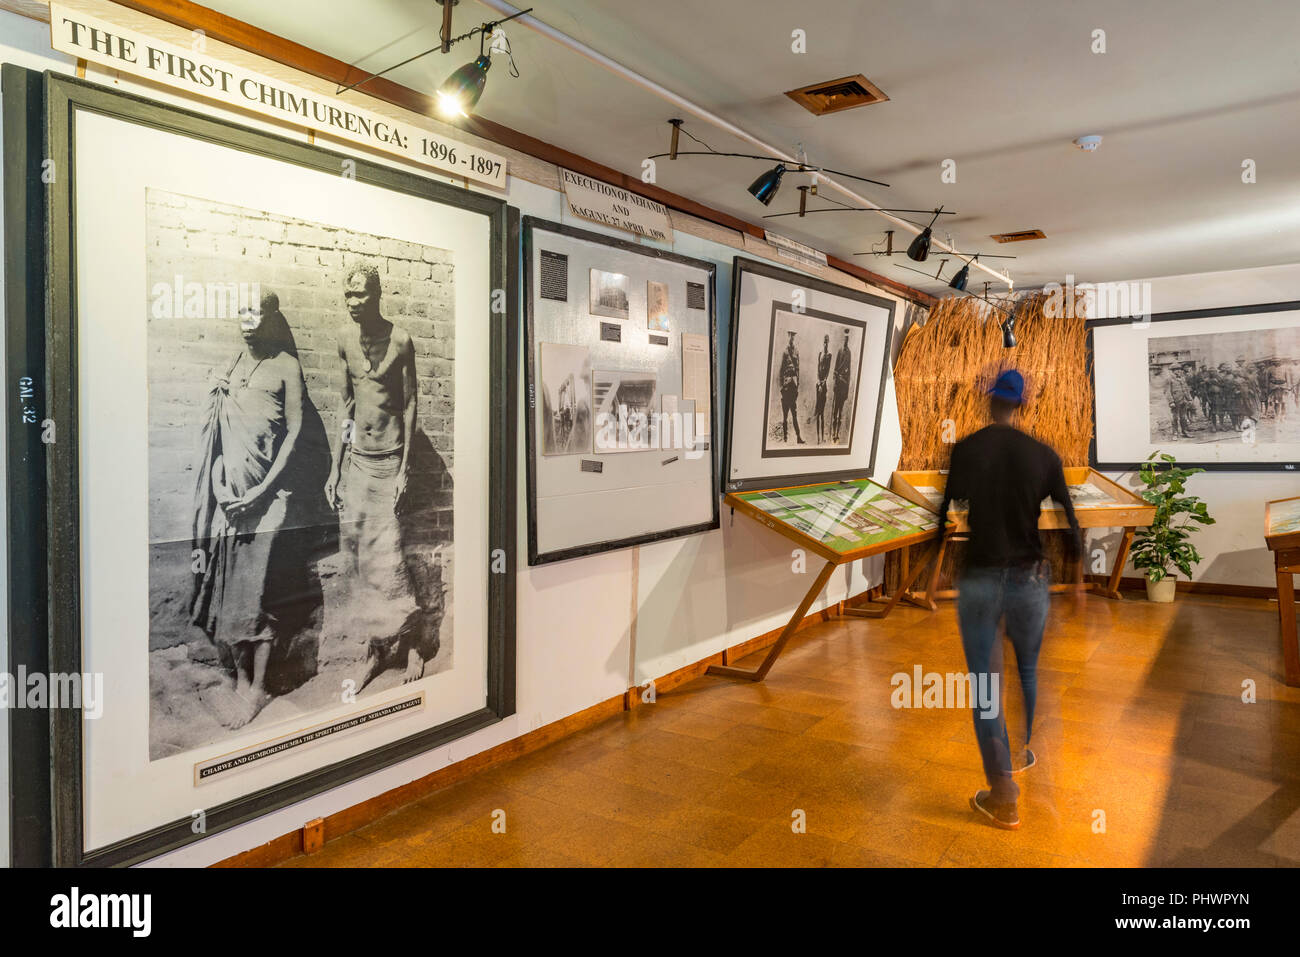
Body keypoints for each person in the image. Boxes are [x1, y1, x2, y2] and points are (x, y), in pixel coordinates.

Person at [938, 369, 1082, 830]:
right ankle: (1021, 751)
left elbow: (948, 508)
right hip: (1029, 580)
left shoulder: (966, 450)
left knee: (985, 688)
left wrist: (938, 560)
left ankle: (1003, 796)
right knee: (1027, 670)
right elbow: (1071, 520)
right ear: (1022, 405)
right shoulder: (1043, 455)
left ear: (989, 402)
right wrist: (1078, 581)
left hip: (980, 578)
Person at [189, 291, 327, 729]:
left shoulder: (287, 366)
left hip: (269, 502)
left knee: (261, 593)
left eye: (257, 312)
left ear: (270, 318)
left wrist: (262, 492)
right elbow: (216, 439)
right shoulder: (231, 366)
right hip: (231, 502)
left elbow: (294, 435)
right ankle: (240, 678)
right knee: (232, 593)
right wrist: (222, 489)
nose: (248, 320)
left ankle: (259, 688)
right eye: (242, 311)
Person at [326, 264, 430, 689]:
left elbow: (408, 405)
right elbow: (346, 405)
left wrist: (405, 468)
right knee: (359, 559)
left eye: (361, 296)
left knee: (390, 557)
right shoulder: (345, 341)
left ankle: (414, 645)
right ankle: (374, 651)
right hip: (358, 464)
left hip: (389, 463)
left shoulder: (401, 340)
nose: (353, 304)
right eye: (347, 295)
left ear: (377, 294)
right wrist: (336, 466)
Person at [778, 330, 805, 444]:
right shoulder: (784, 352)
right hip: (786, 388)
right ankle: (785, 439)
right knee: (785, 416)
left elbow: (798, 369)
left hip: (793, 388)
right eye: (790, 336)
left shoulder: (796, 351)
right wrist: (782, 386)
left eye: (793, 336)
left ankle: (798, 437)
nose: (792, 338)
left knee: (794, 414)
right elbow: (781, 370)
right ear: (788, 336)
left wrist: (797, 384)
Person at [831, 328, 853, 442]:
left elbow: (848, 374)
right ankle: (833, 434)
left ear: (848, 340)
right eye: (844, 338)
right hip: (838, 386)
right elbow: (835, 369)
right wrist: (835, 380)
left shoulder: (849, 353)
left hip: (843, 387)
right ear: (842, 339)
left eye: (847, 339)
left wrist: (847, 391)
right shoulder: (839, 351)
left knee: (840, 411)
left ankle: (837, 434)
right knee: (835, 411)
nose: (845, 340)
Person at [814, 334, 831, 444]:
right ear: (822, 342)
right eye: (824, 342)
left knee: (822, 412)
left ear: (828, 343)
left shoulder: (829, 355)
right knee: (817, 411)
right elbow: (817, 370)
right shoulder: (820, 354)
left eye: (826, 342)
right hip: (818, 386)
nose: (825, 343)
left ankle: (822, 437)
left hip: (823, 387)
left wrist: (822, 383)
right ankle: (818, 438)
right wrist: (818, 383)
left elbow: (827, 372)